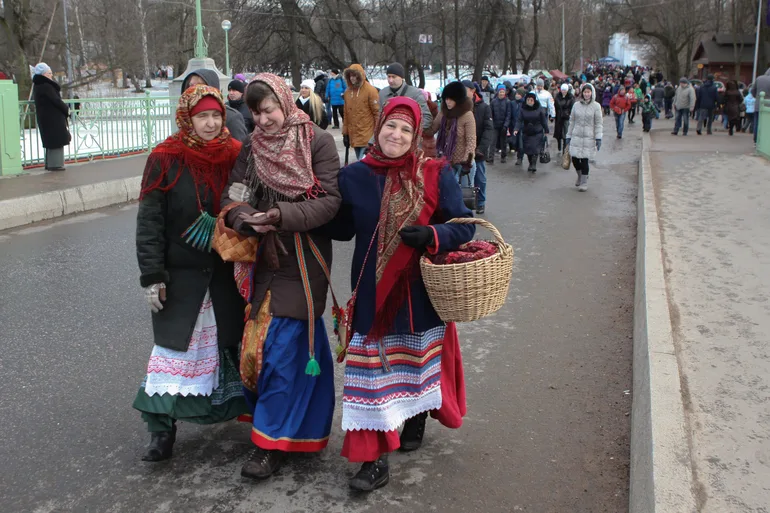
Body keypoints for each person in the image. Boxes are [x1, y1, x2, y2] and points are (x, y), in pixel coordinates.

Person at [325, 96, 475, 492]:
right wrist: (313, 205)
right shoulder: (355, 175)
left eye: (406, 129)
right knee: (369, 381)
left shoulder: (435, 173)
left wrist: (434, 235)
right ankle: (372, 461)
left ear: (416, 136)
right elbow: (341, 229)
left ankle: (416, 415)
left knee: (414, 371)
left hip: (420, 300)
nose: (397, 135)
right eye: (391, 125)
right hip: (373, 299)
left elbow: (464, 227)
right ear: (379, 127)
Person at [220, 73, 341, 479]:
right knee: (267, 351)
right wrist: (244, 219)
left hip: (302, 261)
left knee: (282, 350)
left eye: (268, 109)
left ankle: (267, 445)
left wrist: (282, 215)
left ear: (286, 103)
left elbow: (330, 202)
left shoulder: (317, 141)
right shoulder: (253, 148)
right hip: (262, 261)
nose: (262, 120)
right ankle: (297, 428)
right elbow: (233, 196)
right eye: (255, 113)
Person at [133, 84, 247, 462]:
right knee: (173, 352)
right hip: (181, 277)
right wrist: (152, 275)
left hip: (225, 273)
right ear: (187, 118)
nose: (211, 123)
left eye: (216, 115)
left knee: (228, 347)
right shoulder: (165, 157)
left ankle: (237, 412)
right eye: (203, 116)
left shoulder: (235, 155)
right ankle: (161, 431)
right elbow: (150, 222)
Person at [181, 69, 248, 142]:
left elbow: (240, 150)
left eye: (201, 86)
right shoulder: (184, 117)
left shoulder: (231, 118)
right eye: (192, 86)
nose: (195, 90)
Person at [430, 81, 477, 183]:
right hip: (446, 162)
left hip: (463, 164)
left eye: (451, 99)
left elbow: (471, 140)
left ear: (458, 100)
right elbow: (432, 129)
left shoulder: (467, 115)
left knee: (463, 195)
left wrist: (466, 162)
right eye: (446, 99)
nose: (448, 102)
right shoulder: (443, 113)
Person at [32, 63, 70, 171]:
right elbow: (56, 101)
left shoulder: (39, 85)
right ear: (44, 74)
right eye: (49, 73)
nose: (51, 75)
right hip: (52, 119)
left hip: (47, 118)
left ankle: (51, 164)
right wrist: (66, 109)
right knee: (55, 140)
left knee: (51, 141)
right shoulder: (46, 86)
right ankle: (55, 164)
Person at [464, 80, 494, 214]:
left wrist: (481, 148)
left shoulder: (484, 107)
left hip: (478, 149)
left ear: (472, 91)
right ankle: (465, 201)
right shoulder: (460, 106)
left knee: (480, 178)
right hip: (462, 150)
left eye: (465, 90)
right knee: (463, 178)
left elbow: (488, 129)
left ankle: (480, 202)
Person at [565, 84, 602, 192]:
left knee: (585, 160)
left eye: (588, 92)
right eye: (585, 92)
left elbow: (598, 123)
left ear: (592, 93)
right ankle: (580, 176)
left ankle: (584, 182)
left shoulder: (596, 106)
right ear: (582, 93)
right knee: (575, 159)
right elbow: (572, 121)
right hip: (576, 135)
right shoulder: (576, 105)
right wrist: (569, 135)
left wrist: (598, 137)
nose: (586, 94)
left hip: (589, 137)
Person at [378, 62, 432, 131]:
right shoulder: (382, 93)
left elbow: (427, 118)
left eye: (394, 77)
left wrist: (409, 130)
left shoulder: (415, 94)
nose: (390, 80)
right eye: (389, 76)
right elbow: (379, 118)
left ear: (402, 77)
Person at [342, 63, 380, 160]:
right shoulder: (348, 92)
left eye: (354, 75)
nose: (352, 78)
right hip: (354, 135)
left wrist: (376, 135)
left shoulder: (370, 91)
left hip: (367, 135)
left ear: (360, 76)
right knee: (360, 161)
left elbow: (377, 114)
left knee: (363, 162)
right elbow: (346, 114)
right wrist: (345, 133)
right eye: (350, 76)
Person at [513, 91, 549, 173]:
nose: (529, 101)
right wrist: (516, 129)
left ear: (534, 100)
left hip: (537, 131)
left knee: (535, 149)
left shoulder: (539, 108)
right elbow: (519, 120)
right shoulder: (523, 109)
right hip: (527, 132)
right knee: (528, 150)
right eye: (528, 99)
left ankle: (533, 164)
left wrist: (546, 130)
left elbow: (543, 121)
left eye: (531, 100)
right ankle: (530, 163)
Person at [490, 84, 512, 164]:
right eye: (500, 92)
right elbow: (491, 113)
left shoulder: (507, 102)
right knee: (493, 141)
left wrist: (506, 125)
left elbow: (508, 114)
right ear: (498, 92)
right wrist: (491, 122)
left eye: (503, 92)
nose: (501, 93)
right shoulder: (493, 101)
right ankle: (490, 157)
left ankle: (503, 156)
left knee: (503, 142)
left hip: (503, 125)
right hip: (495, 125)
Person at [554, 83, 575, 153]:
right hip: (559, 117)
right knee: (558, 132)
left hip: (566, 117)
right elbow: (555, 106)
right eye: (563, 90)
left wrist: (568, 113)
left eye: (565, 90)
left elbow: (572, 107)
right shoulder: (557, 97)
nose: (564, 91)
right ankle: (559, 143)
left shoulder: (571, 97)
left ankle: (564, 148)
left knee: (565, 133)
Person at [751, 68, 770, 143]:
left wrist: (757, 97)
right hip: (768, 105)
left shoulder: (759, 78)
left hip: (758, 104)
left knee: (757, 123)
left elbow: (753, 90)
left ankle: (755, 139)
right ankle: (764, 140)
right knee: (766, 124)